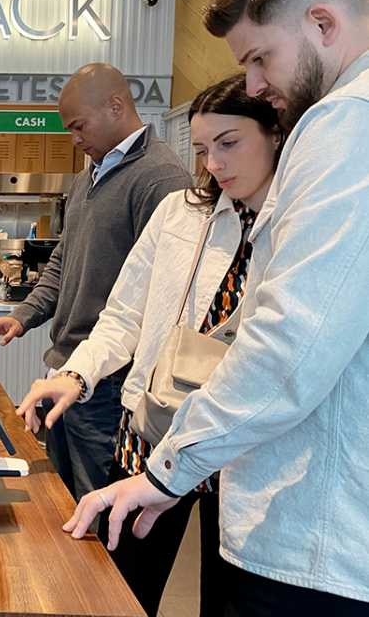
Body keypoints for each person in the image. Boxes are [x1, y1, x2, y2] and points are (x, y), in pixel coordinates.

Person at [64, 0, 369, 617]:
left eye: (261, 57)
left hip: (310, 539)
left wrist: (168, 469)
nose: (256, 84)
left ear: (323, 24)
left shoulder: (345, 125)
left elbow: (291, 344)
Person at [16, 74, 282, 617]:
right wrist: (77, 372)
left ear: (277, 135)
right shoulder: (181, 212)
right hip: (156, 429)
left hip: (240, 451)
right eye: (204, 149)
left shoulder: (298, 226)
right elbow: (125, 312)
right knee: (118, 586)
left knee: (227, 598)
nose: (214, 164)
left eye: (229, 144)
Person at [0, 64, 192, 500]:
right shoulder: (85, 177)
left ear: (116, 107)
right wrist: (22, 317)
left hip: (107, 386)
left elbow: (163, 300)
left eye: (78, 126)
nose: (74, 139)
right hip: (64, 371)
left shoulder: (160, 179)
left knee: (97, 512)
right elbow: (62, 262)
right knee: (60, 501)